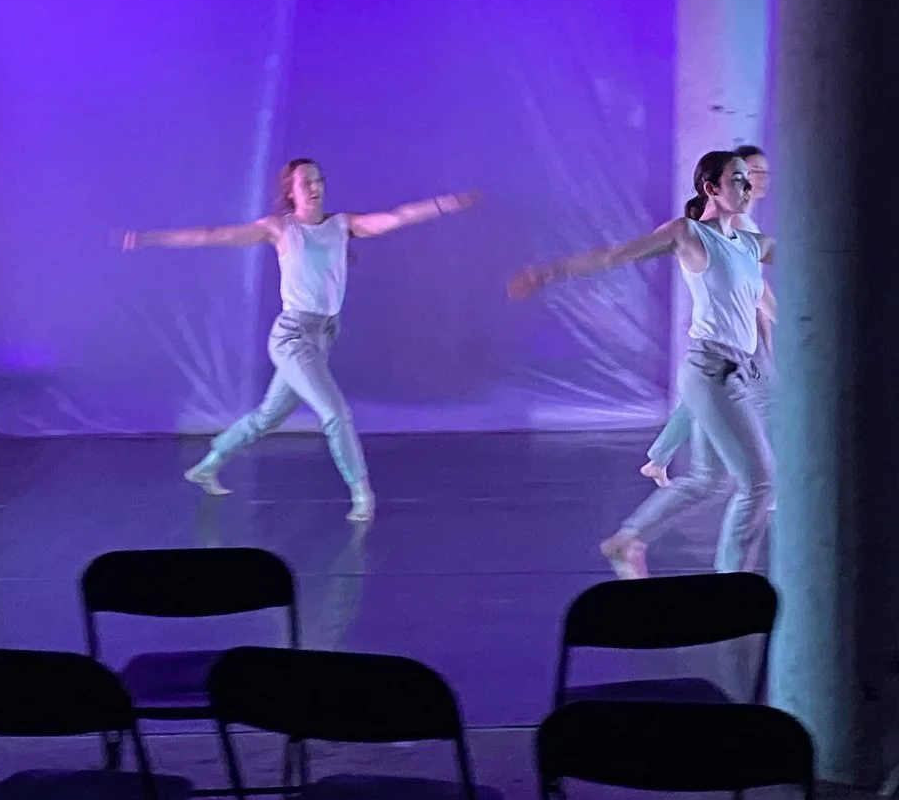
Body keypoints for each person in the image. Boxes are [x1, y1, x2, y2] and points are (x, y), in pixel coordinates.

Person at [123, 159, 477, 521]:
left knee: (267, 417)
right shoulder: (280, 229)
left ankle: (208, 464)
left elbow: (396, 217)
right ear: (290, 192)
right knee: (336, 414)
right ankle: (361, 494)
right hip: (291, 337)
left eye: (318, 180)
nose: (314, 187)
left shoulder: (343, 225)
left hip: (323, 336)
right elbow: (213, 235)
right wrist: (152, 238)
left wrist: (444, 204)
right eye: (305, 182)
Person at [511, 149, 774, 577]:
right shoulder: (688, 234)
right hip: (709, 371)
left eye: (749, 179)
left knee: (708, 480)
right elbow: (615, 255)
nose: (748, 187)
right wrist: (549, 272)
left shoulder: (747, 244)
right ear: (711, 188)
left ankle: (627, 539)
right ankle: (734, 580)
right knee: (759, 482)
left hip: (736, 372)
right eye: (738, 180)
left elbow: (802, 258)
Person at [641, 145, 773, 488]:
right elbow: (756, 293)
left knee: (704, 399)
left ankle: (663, 458)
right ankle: (760, 482)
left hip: (737, 335)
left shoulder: (744, 225)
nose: (759, 180)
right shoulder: (733, 223)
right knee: (752, 397)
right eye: (751, 173)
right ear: (715, 187)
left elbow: (755, 289)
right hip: (731, 335)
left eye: (762, 172)